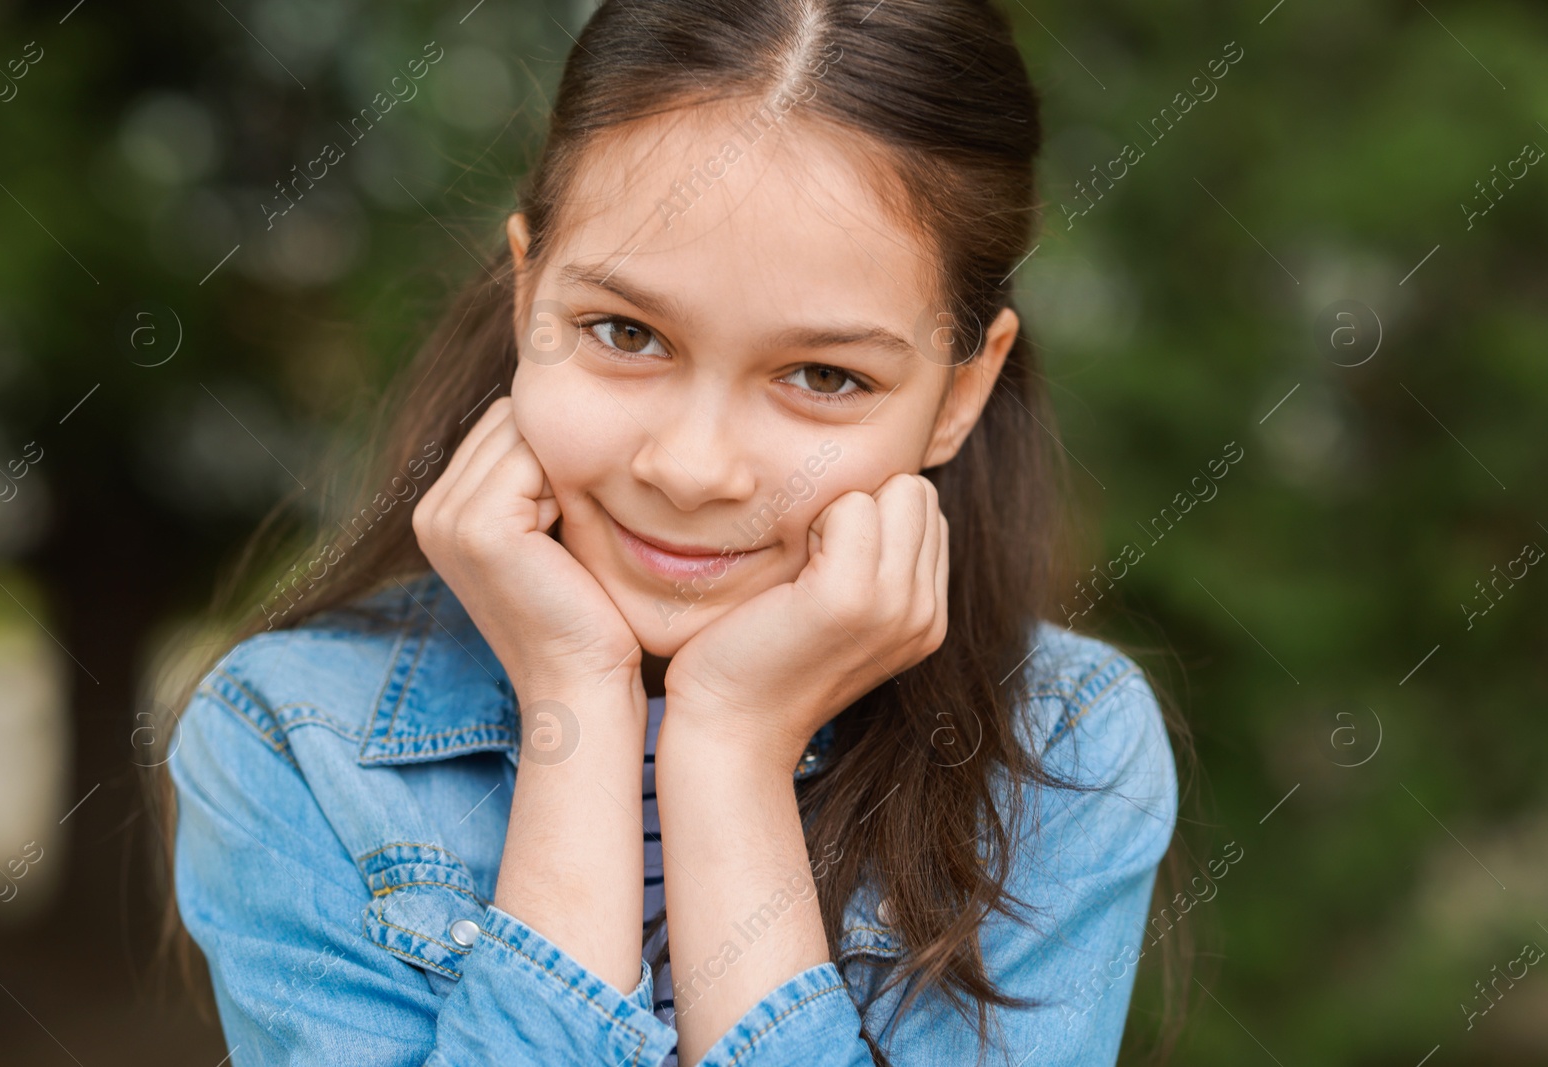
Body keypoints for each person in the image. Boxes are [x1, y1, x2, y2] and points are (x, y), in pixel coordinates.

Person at [157, 2, 1187, 1064]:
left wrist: (731, 748)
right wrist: (573, 701)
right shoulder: (296, 738)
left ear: (959, 393)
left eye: (824, 375)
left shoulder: (1061, 751)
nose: (692, 468)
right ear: (528, 299)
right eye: (626, 332)